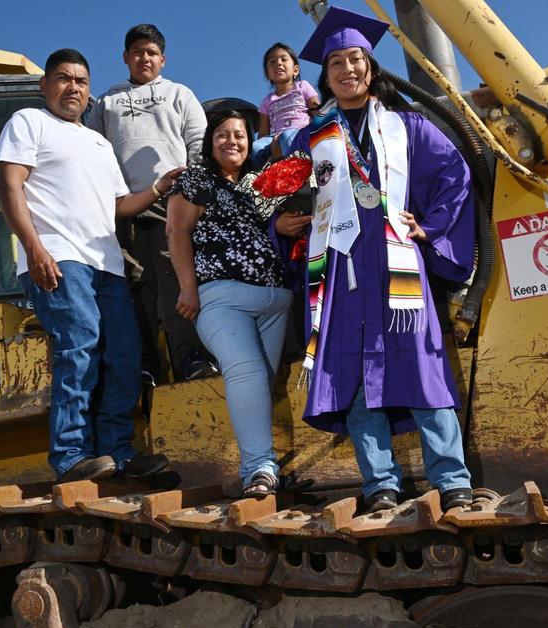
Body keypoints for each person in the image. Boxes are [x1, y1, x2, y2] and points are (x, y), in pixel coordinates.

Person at [280, 8, 477, 513]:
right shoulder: (309, 139)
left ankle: (451, 478)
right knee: (356, 378)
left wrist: (428, 227)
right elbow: (274, 196)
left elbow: (456, 173)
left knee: (423, 369)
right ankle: (380, 483)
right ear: (324, 76)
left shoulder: (407, 127)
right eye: (336, 64)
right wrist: (278, 223)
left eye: (355, 60)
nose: (347, 70)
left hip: (395, 266)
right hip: (343, 270)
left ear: (370, 68)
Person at [0, 48, 176, 483]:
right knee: (79, 347)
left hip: (107, 264)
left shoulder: (99, 143)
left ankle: (116, 450)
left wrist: (158, 186)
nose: (72, 87)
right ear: (45, 85)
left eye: (80, 80)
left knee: (125, 354)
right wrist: (35, 249)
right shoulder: (29, 122)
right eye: (62, 78)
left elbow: (120, 205)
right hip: (59, 257)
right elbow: (9, 184)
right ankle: (71, 453)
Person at [165, 111, 293, 497]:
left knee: (258, 383)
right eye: (222, 134)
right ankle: (259, 469)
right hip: (221, 298)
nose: (232, 141)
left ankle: (263, 463)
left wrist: (284, 225)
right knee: (249, 373)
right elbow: (176, 230)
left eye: (239, 134)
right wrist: (188, 287)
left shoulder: (257, 184)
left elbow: (274, 223)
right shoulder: (196, 180)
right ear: (210, 142)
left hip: (275, 301)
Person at [86, 24, 217, 383]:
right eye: (137, 51)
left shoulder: (179, 94)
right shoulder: (106, 102)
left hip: (171, 203)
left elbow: (198, 142)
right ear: (126, 57)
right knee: (135, 287)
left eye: (151, 52)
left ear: (163, 59)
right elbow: (93, 151)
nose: (144, 58)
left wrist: (191, 190)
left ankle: (190, 357)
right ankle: (147, 364)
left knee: (176, 280)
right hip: (123, 207)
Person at [252, 43, 321, 167]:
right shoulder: (267, 101)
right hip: (274, 137)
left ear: (295, 70)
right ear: (268, 75)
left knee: (286, 138)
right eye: (272, 62)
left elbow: (317, 110)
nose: (278, 63)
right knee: (255, 147)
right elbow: (263, 132)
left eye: (283, 59)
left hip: (301, 132)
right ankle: (259, 175)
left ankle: (294, 169)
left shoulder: (303, 86)